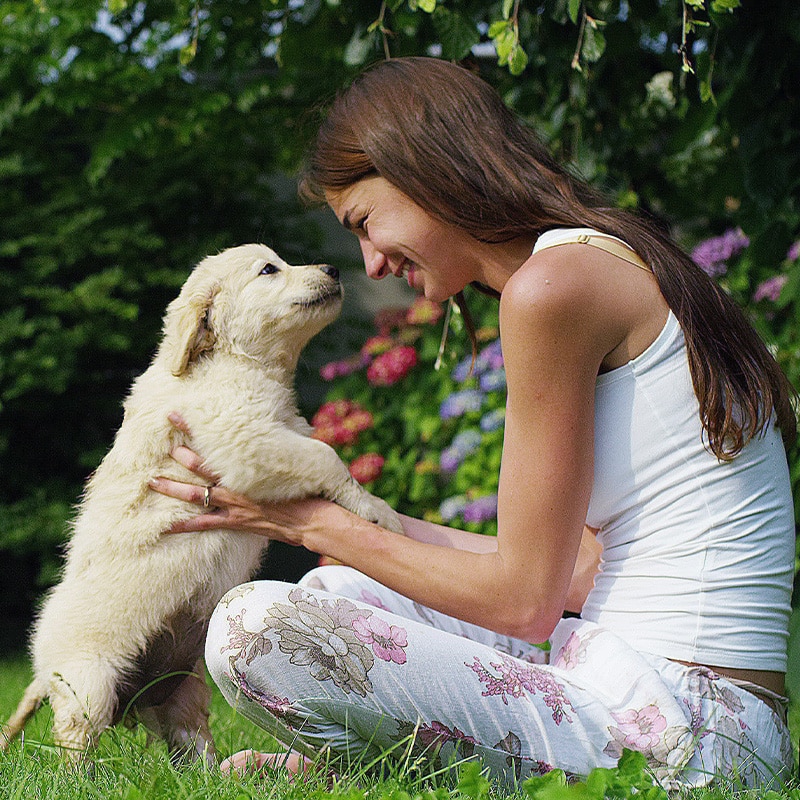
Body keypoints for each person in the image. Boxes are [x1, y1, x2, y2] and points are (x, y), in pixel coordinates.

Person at [149, 57, 796, 790]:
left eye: (365, 222)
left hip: (689, 737)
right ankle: (371, 762)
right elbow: (580, 575)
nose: (372, 262)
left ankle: (363, 764)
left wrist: (308, 525)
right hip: (704, 712)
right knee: (338, 598)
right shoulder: (603, 259)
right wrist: (349, 515)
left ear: (424, 168)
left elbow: (524, 602)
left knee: (256, 629)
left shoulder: (552, 290)